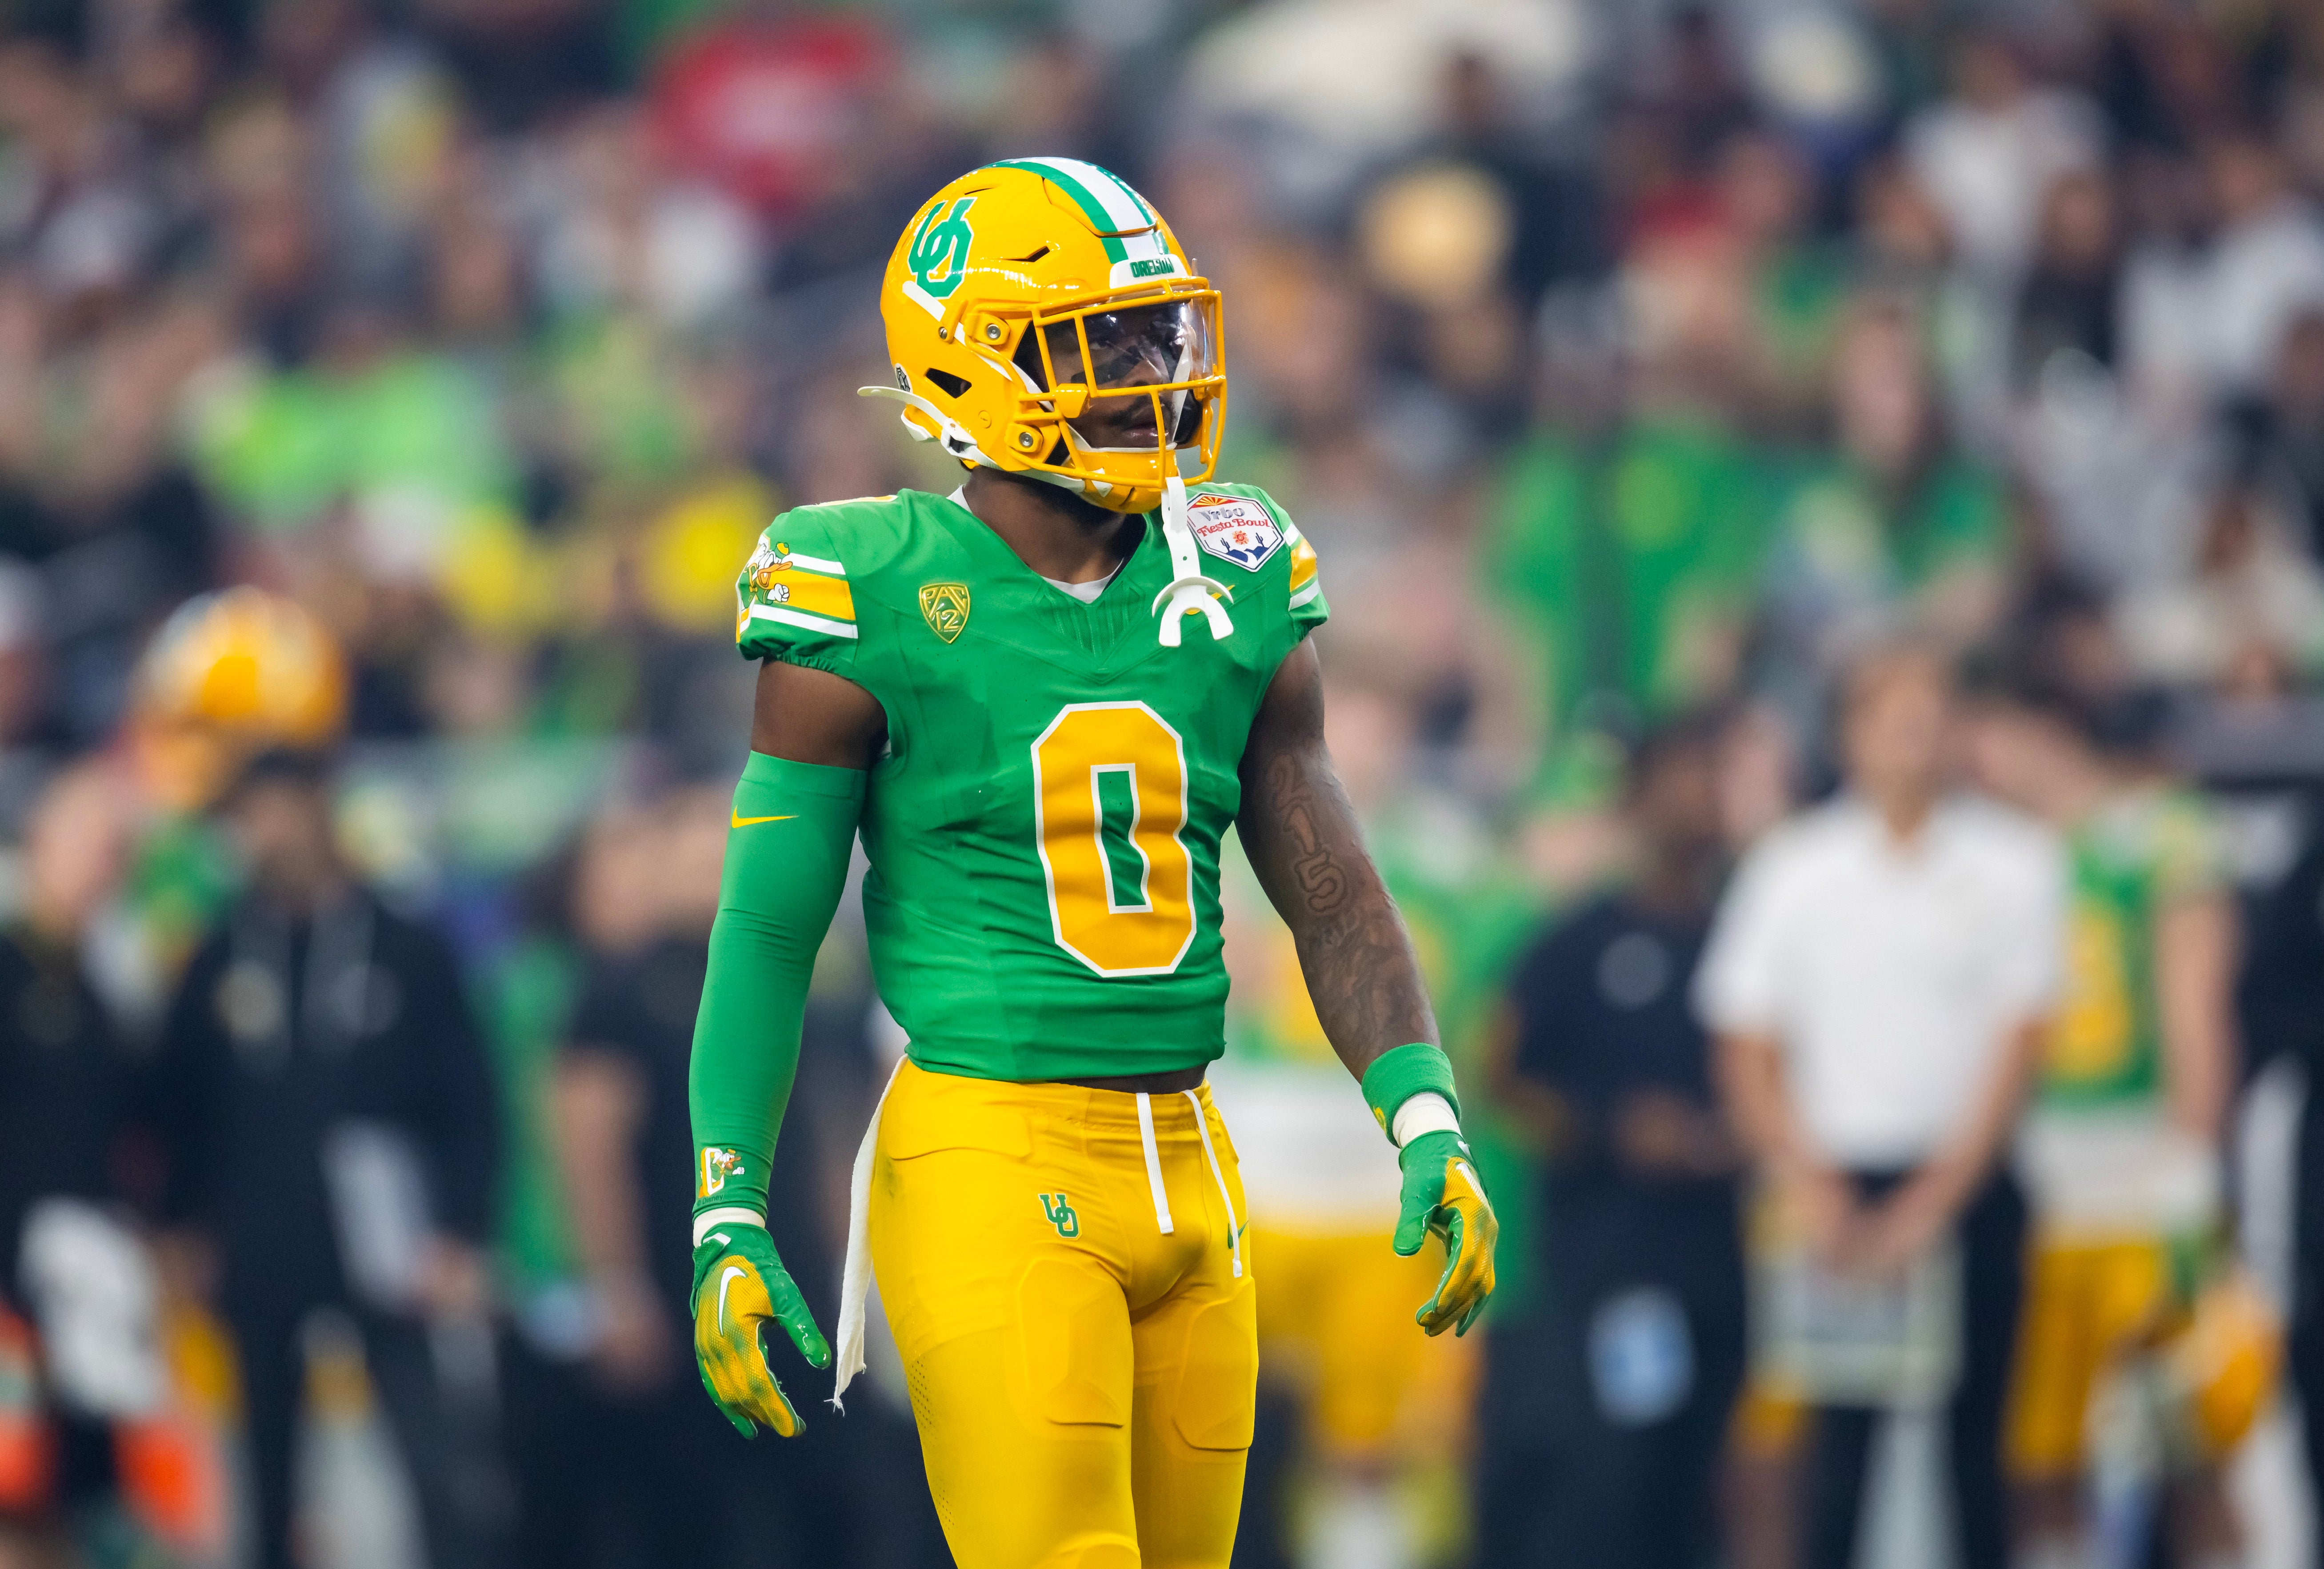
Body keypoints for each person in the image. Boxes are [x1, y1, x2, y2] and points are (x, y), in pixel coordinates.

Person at [681, 157, 1499, 1569]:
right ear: (975, 358)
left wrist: (1421, 1112)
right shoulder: (860, 579)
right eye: (1096, 339)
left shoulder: (1233, 566)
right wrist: (727, 1201)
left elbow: (1324, 871)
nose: (1150, 371)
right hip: (990, 1148)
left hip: (1191, 1153)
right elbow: (765, 930)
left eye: (1155, 332)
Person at [1700, 641, 2066, 1569]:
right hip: (1835, 1181)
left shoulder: (2016, 862)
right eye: (1886, 711)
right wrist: (1806, 1182)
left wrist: (1934, 1200)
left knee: (1978, 1451)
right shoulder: (1794, 866)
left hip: (1965, 1182)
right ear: (1847, 734)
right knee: (1833, 1457)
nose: (1910, 732)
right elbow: (1745, 1039)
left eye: (1929, 708)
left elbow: (2017, 1043)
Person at [149, 748, 504, 1569]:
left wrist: (460, 1226)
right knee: (268, 1464)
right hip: (260, 1238)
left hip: (390, 1241)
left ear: (320, 810)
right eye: (248, 818)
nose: (264, 835)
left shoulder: (407, 946)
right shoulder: (219, 952)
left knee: (433, 1456)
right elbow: (177, 1104)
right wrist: (181, 1225)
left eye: (277, 811)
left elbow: (471, 1098)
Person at [1960, 662, 2242, 1569]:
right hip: (2046, 1178)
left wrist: (2191, 1157)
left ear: (2037, 724)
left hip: (2141, 1168)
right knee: (2046, 1442)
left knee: (2183, 1436)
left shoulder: (2151, 835)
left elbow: (2193, 1006)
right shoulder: (1998, 854)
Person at [1479, 710, 1745, 1569]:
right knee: (1613, 1475)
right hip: (1609, 1265)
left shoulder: (1750, 932)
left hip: (1720, 1256)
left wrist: (1739, 1136)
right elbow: (1501, 1073)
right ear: (1635, 803)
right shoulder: (1575, 942)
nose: (1698, 802)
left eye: (1712, 780)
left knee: (1702, 1474)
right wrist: (1611, 1132)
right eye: (1679, 781)